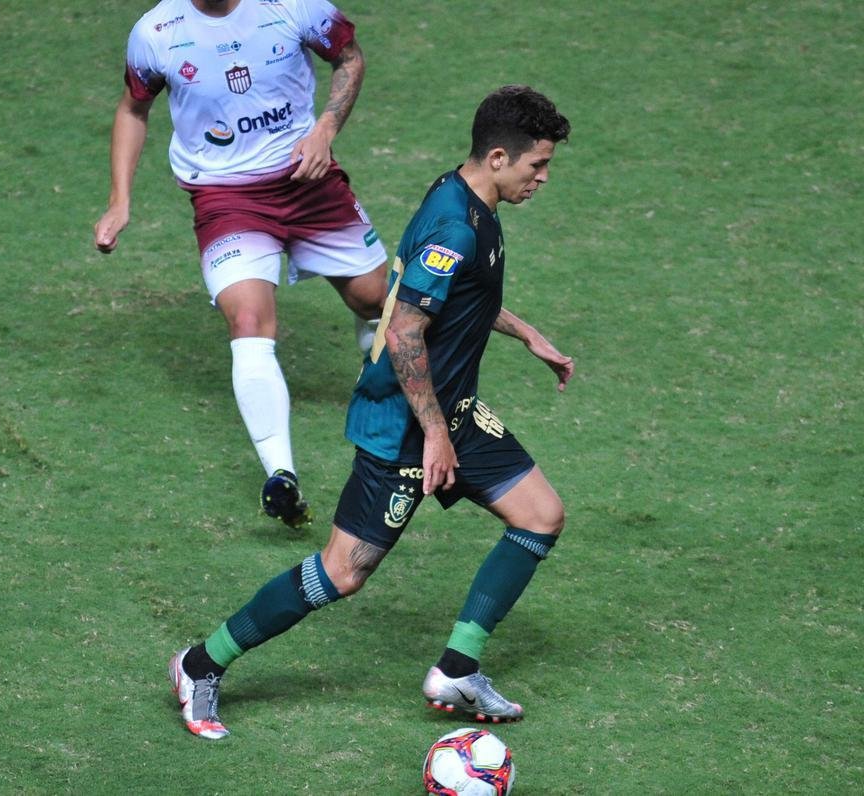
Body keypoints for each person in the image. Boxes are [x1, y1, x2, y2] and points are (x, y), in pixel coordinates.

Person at [167, 85, 573, 739]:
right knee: (342, 571)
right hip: (403, 425)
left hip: (451, 413)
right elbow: (407, 330)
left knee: (540, 515)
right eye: (538, 164)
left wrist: (526, 334)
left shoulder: (468, 197)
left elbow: (451, 297)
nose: (543, 178)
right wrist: (434, 435)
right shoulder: (454, 226)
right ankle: (200, 664)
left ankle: (457, 669)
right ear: (499, 157)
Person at [93, 0, 388, 529]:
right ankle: (281, 475)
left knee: (375, 300)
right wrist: (120, 200)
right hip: (225, 198)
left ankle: (385, 387)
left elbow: (349, 58)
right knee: (248, 319)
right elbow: (133, 110)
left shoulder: (293, 6)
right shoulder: (156, 32)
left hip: (307, 180)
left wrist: (325, 128)